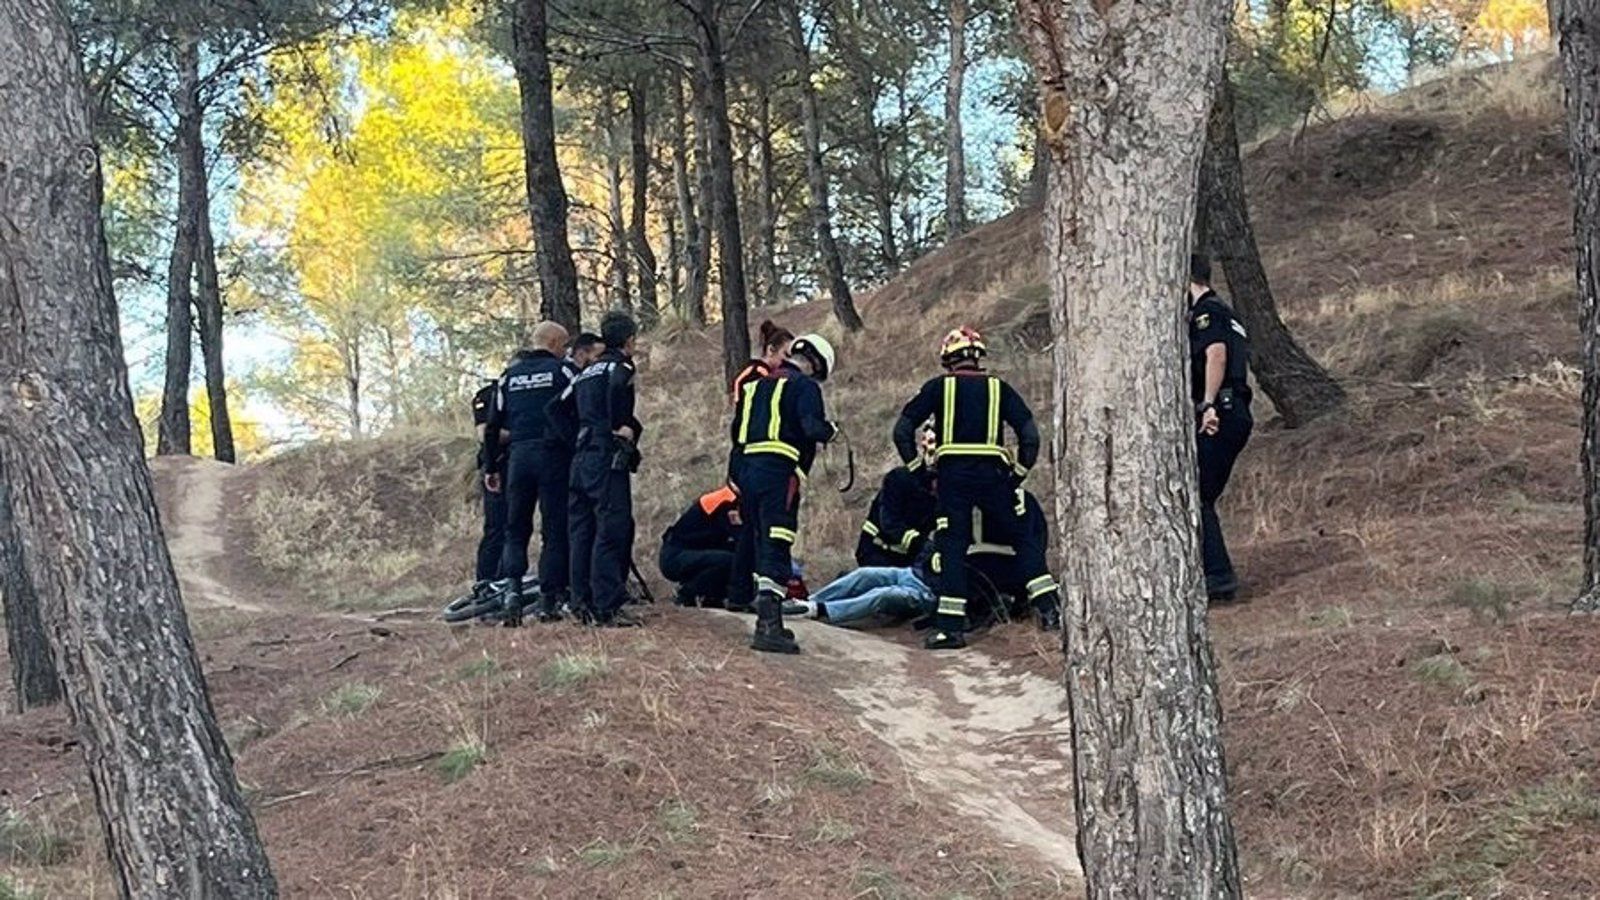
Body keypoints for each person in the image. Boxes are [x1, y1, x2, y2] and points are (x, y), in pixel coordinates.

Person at [892, 326, 1058, 650]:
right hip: (994, 475)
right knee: (1022, 539)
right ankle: (1049, 611)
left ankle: (951, 629)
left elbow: (902, 430)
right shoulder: (1000, 389)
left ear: (948, 360)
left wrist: (919, 472)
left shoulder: (937, 388)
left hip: (953, 478)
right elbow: (1030, 436)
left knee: (952, 547)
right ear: (978, 357)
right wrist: (1018, 475)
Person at [731, 333, 838, 654]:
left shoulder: (753, 388)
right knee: (778, 543)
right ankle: (769, 626)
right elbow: (811, 427)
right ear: (816, 365)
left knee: (761, 539)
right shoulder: (805, 387)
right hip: (778, 475)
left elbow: (736, 434)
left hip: (747, 473)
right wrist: (831, 430)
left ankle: (761, 614)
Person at [556, 311, 644, 627]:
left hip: (580, 458)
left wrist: (577, 436)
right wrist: (618, 428)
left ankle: (581, 601)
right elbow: (619, 394)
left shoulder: (585, 371)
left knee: (582, 531)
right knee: (612, 526)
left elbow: (555, 408)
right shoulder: (621, 366)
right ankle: (607, 605)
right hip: (605, 458)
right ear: (629, 340)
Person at [481, 321, 571, 627]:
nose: (565, 350)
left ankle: (513, 595)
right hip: (553, 456)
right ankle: (548, 600)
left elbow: (492, 425)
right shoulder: (563, 371)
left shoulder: (509, 377)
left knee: (515, 528)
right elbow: (577, 409)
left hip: (518, 457)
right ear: (555, 343)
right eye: (564, 345)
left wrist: (491, 466)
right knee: (554, 529)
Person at [1189, 255, 1253, 603]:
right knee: (1202, 495)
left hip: (1223, 410)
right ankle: (1213, 573)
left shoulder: (1207, 312)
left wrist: (1208, 403)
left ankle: (1218, 578)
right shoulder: (1228, 312)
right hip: (1237, 410)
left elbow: (1216, 355)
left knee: (1196, 496)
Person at [856, 432, 938, 568]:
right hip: (877, 552)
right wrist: (924, 545)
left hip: (908, 559)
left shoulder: (947, 493)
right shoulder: (899, 479)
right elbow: (890, 524)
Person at [659, 485, 740, 607]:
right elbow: (739, 536)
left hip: (691, 552)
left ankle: (712, 598)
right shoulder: (726, 500)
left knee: (734, 554)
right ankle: (686, 593)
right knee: (732, 559)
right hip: (675, 556)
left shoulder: (735, 500)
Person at [469, 380, 508, 605]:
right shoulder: (487, 394)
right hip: (496, 465)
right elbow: (484, 433)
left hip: (517, 465)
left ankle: (505, 583)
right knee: (496, 528)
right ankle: (485, 585)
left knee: (512, 528)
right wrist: (521, 433)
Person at [730, 320, 795, 406]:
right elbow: (737, 383)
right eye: (785, 354)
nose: (788, 360)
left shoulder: (771, 372)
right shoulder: (759, 370)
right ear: (771, 350)